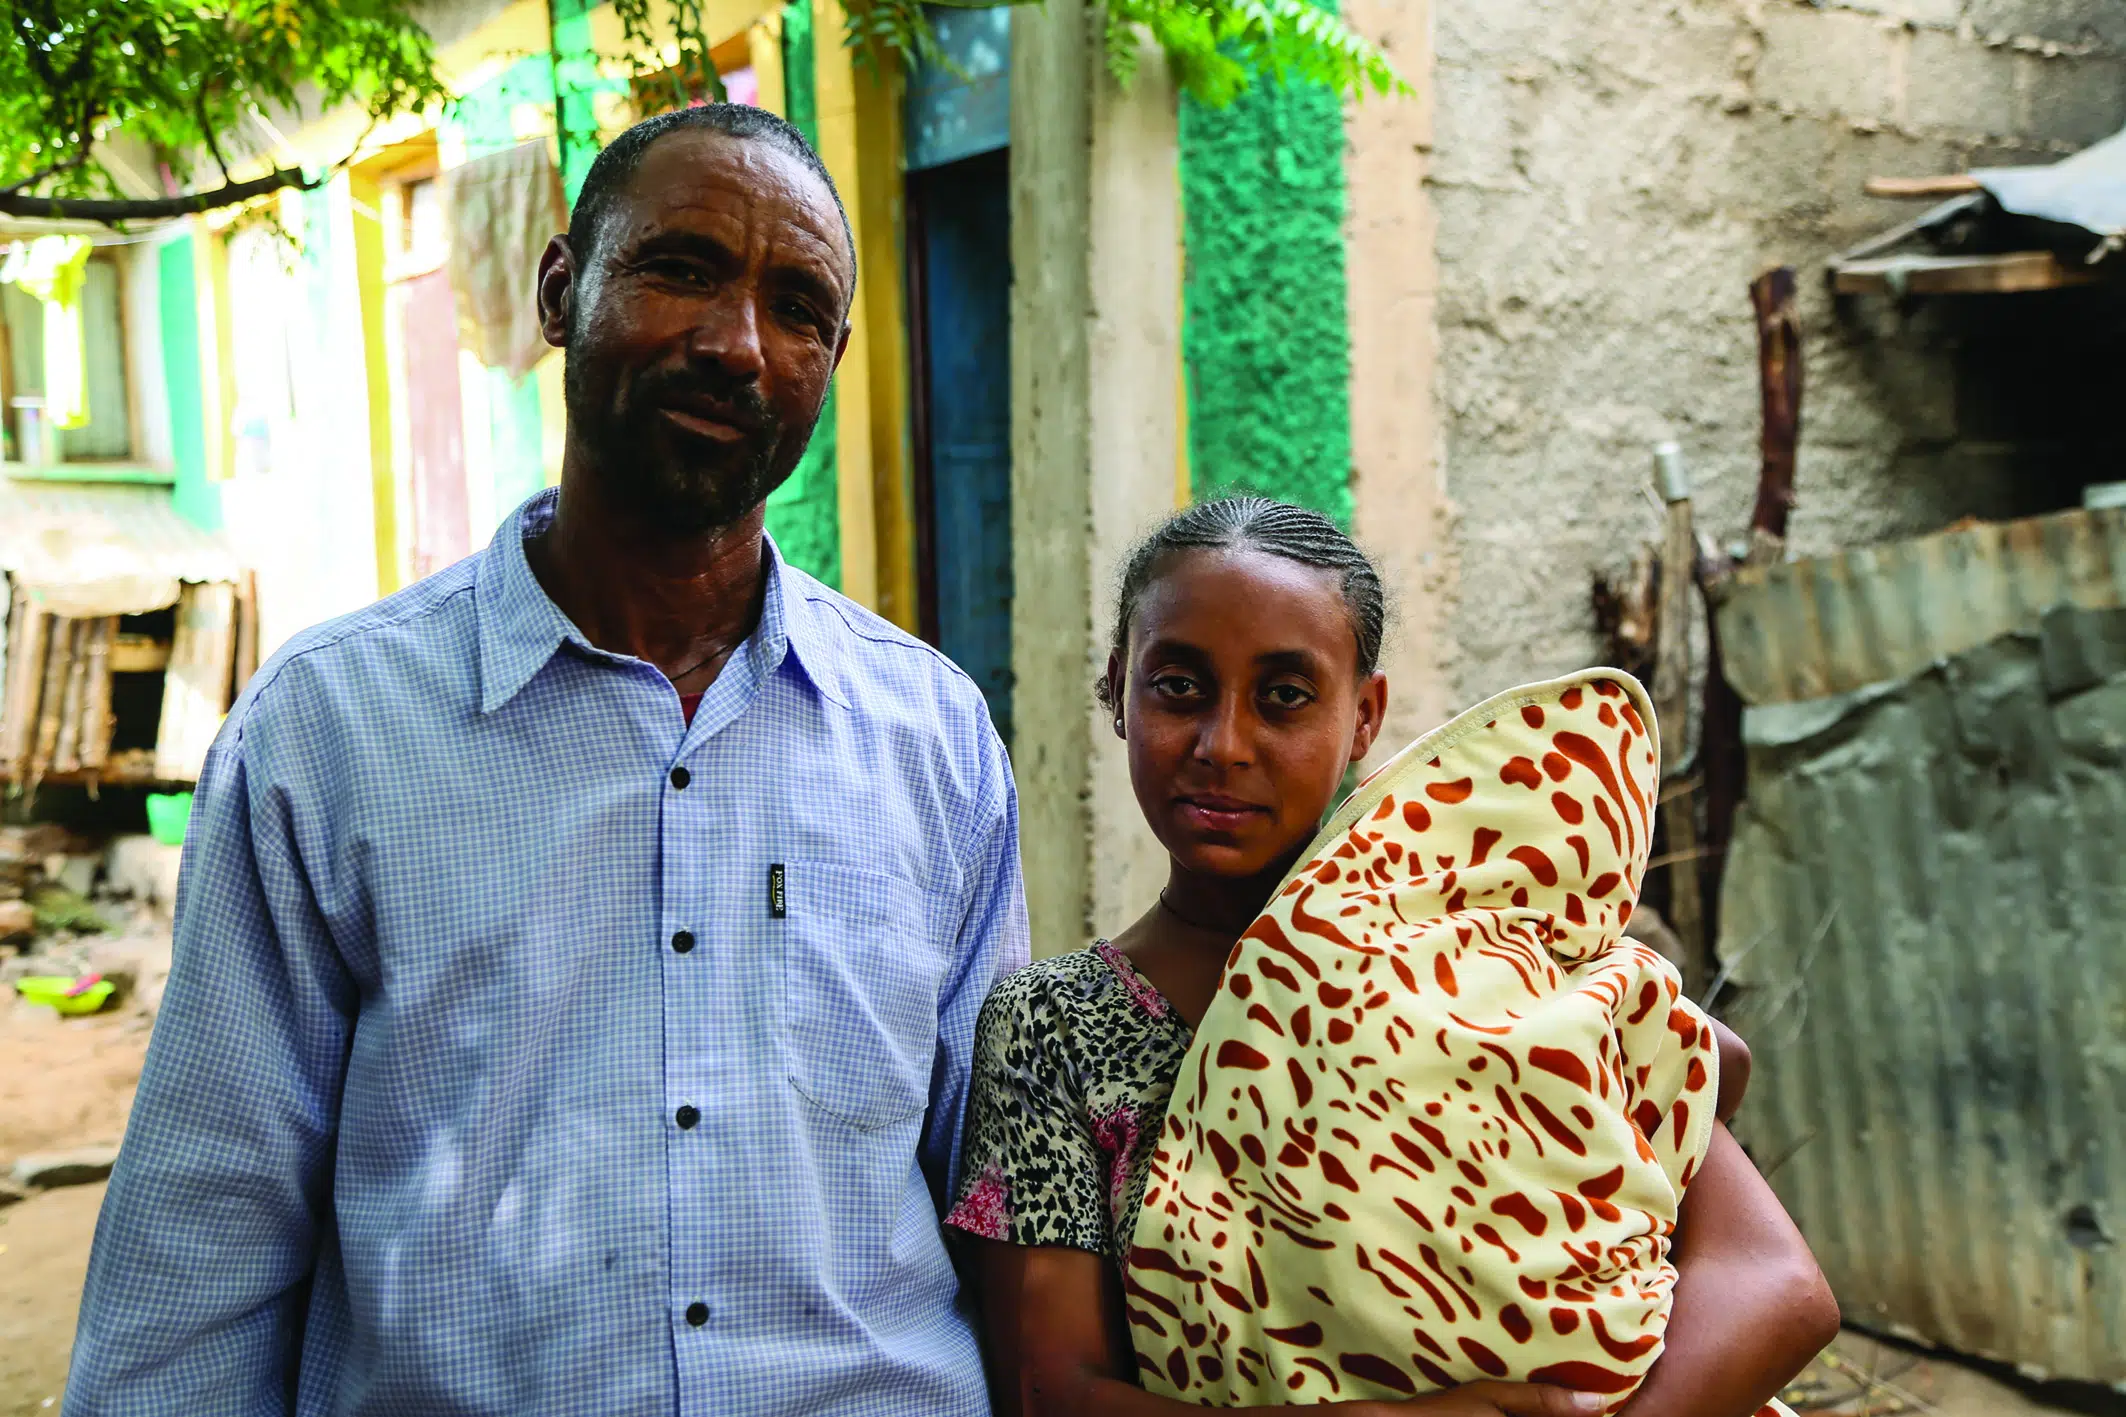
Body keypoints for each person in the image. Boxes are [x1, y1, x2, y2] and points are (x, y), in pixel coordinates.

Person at [68, 105, 1027, 1415]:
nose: (735, 344)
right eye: (680, 267)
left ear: (832, 358)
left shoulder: (934, 743)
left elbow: (997, 1203)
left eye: (796, 305)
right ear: (561, 290)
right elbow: (206, 1244)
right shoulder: (330, 736)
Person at [947, 497, 1839, 1417]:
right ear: (1118, 690)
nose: (1224, 744)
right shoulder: (1058, 1027)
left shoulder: (1484, 941)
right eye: (1179, 686)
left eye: (1285, 696)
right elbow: (1050, 1391)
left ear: (1365, 716)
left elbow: (1774, 1282)